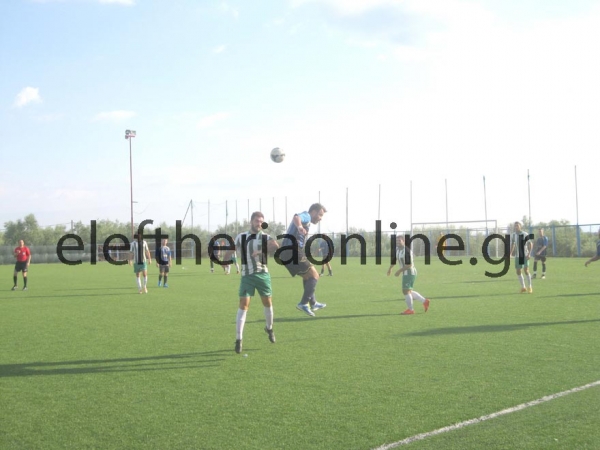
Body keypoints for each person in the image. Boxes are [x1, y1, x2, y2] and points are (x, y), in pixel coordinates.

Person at [225, 211, 280, 354]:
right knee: (244, 304)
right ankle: (239, 339)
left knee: (267, 302)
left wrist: (260, 251)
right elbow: (231, 250)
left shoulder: (266, 237)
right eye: (257, 221)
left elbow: (275, 246)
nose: (259, 223)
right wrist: (225, 260)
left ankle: (269, 328)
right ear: (251, 222)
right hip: (247, 276)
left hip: (263, 274)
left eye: (261, 221)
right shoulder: (241, 237)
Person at [280, 203, 328, 317]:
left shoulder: (307, 221)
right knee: (315, 275)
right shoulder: (306, 216)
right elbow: (296, 217)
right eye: (320, 215)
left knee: (308, 276)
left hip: (286, 252)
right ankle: (303, 303)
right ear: (314, 212)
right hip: (292, 250)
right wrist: (300, 227)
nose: (320, 218)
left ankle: (313, 303)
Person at [387, 235, 430, 315]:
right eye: (397, 241)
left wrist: (399, 271)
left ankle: (411, 310)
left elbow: (409, 265)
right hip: (406, 273)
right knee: (408, 291)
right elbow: (394, 260)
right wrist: (390, 268)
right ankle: (424, 301)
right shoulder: (397, 250)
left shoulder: (406, 251)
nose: (397, 242)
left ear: (403, 241)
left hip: (410, 272)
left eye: (399, 241)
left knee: (405, 291)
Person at [510, 221, 533, 293]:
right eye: (515, 225)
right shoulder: (513, 235)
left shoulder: (525, 234)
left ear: (520, 226)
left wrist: (529, 254)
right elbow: (513, 244)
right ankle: (523, 287)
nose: (516, 227)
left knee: (526, 270)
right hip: (518, 256)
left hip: (525, 255)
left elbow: (530, 244)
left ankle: (530, 286)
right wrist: (510, 253)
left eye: (517, 225)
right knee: (518, 271)